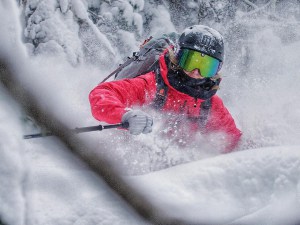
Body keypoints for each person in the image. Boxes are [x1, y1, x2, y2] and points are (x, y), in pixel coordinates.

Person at [89, 25, 242, 153]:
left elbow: (232, 141)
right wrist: (124, 115)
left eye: (206, 67)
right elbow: (102, 94)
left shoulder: (209, 104)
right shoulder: (152, 85)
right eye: (191, 61)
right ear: (177, 56)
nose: (196, 71)